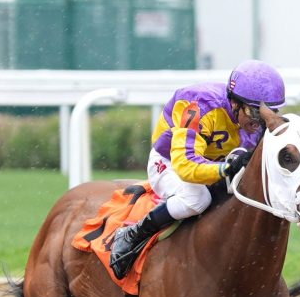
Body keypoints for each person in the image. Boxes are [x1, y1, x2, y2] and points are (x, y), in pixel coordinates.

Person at [108, 59, 286, 279]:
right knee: (197, 199)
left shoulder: (253, 119)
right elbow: (186, 165)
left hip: (218, 164)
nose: (260, 122)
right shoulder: (197, 104)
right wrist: (226, 169)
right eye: (255, 112)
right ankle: (133, 234)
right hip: (170, 162)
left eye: (269, 112)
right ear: (236, 103)